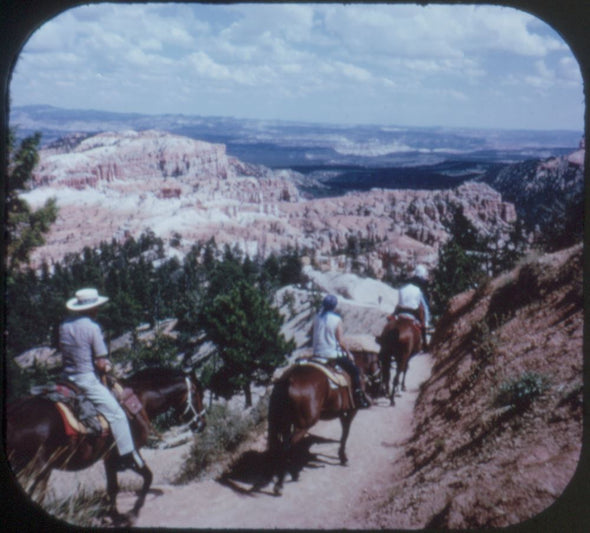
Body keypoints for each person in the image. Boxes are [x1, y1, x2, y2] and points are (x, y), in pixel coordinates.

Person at [59, 287, 145, 471]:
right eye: (96, 307)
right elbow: (100, 362)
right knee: (118, 415)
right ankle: (127, 457)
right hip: (85, 380)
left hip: (65, 379)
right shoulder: (92, 327)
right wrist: (108, 367)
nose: (98, 310)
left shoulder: (64, 325)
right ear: (92, 308)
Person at [312, 294, 370, 409]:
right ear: (334, 306)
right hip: (331, 355)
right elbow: (341, 341)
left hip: (316, 354)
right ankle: (358, 398)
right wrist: (349, 353)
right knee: (355, 371)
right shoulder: (336, 319)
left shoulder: (316, 317)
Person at [393, 264, 431, 348]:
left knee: (397, 308)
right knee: (425, 308)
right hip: (416, 298)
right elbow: (426, 293)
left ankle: (393, 316)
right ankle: (425, 333)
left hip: (404, 300)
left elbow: (403, 281)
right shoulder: (423, 282)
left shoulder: (410, 280)